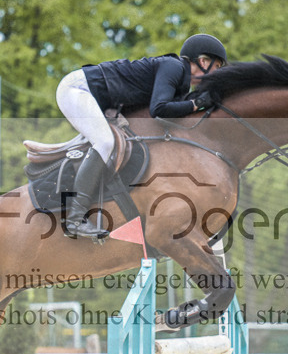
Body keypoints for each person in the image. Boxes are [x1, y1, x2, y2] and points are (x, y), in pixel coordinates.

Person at [55, 33, 228, 239]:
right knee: (104, 142)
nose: (216, 73)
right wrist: (197, 104)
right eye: (216, 67)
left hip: (92, 94)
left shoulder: (181, 80)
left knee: (109, 142)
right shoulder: (174, 67)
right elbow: (159, 109)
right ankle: (74, 219)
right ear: (203, 61)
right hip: (78, 89)